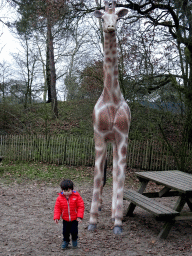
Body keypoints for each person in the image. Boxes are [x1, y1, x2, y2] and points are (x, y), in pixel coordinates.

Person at [54, 179, 84, 249]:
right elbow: (57, 208)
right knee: (65, 232)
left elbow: (81, 206)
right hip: (65, 219)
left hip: (74, 219)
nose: (67, 193)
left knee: (74, 231)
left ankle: (74, 240)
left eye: (68, 191)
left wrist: (79, 216)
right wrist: (56, 217)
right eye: (65, 191)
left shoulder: (76, 197)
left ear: (72, 189)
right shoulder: (59, 198)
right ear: (62, 190)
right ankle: (66, 241)